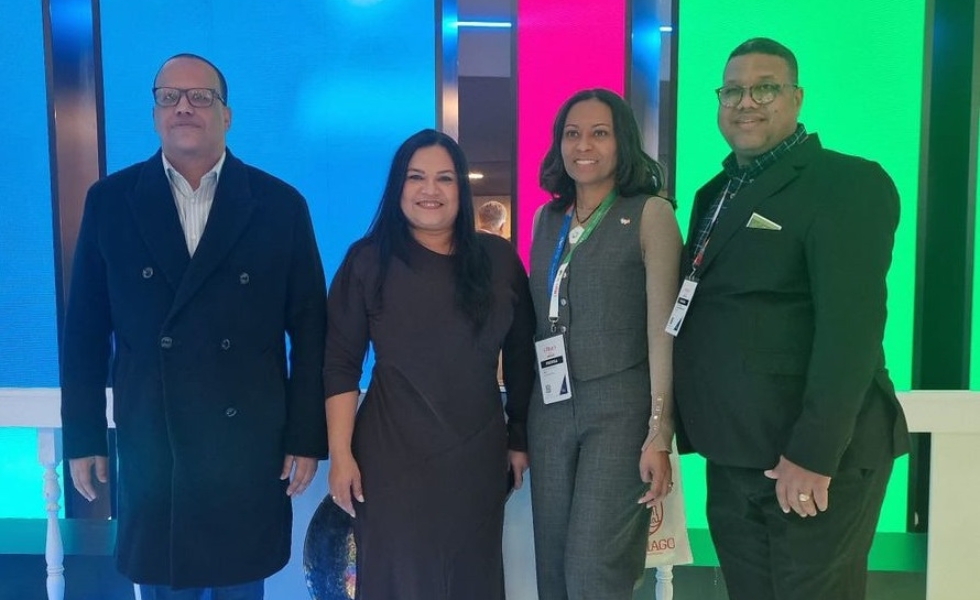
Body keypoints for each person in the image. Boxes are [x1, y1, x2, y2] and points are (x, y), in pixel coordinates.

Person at [60, 53, 328, 599]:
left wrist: (305, 433)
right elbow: (84, 331)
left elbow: (310, 330)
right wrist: (83, 434)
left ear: (226, 114)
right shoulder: (111, 202)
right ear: (155, 114)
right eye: (169, 97)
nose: (183, 107)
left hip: (246, 443)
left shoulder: (279, 205)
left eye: (200, 96)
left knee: (240, 583)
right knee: (165, 584)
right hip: (153, 441)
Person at [671, 38, 911, 600]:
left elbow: (851, 332)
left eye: (765, 89)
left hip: (812, 460)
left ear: (797, 98)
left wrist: (813, 453)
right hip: (734, 457)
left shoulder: (846, 183)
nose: (745, 102)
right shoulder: (716, 193)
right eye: (732, 91)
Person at [323, 128, 535, 599]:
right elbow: (340, 363)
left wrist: (519, 436)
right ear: (397, 186)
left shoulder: (498, 259)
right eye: (416, 177)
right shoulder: (367, 261)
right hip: (389, 461)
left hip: (476, 458)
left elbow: (523, 354)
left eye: (445, 178)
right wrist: (340, 455)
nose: (430, 190)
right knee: (397, 580)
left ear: (462, 188)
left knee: (472, 581)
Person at [527, 88, 682, 600]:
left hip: (619, 409)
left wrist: (659, 431)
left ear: (623, 143)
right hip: (550, 409)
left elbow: (664, 330)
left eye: (599, 133)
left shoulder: (650, 214)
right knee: (552, 566)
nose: (583, 145)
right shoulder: (546, 219)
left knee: (594, 569)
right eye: (572, 134)